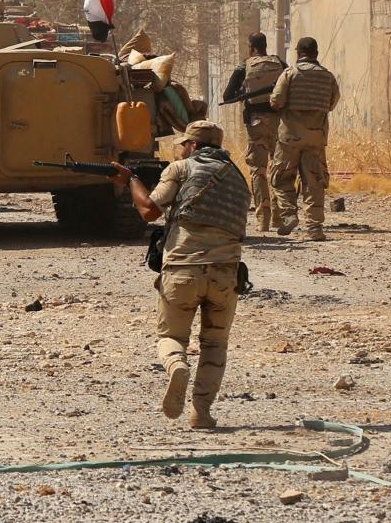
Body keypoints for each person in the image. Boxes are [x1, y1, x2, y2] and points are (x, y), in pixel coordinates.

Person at [111, 120, 251, 430]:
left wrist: (132, 179)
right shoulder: (239, 179)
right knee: (215, 345)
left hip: (182, 270)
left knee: (171, 337)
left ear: (195, 146)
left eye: (185, 145)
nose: (183, 150)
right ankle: (201, 412)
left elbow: (149, 210)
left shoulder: (181, 168)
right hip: (225, 275)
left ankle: (177, 365)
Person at [268, 36, 340, 241]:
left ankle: (289, 213)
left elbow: (276, 101)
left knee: (281, 178)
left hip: (289, 136)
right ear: (316, 53)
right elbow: (332, 103)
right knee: (314, 181)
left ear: (298, 53)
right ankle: (315, 228)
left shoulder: (289, 74)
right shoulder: (328, 76)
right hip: (316, 136)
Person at [222, 31, 287, 232]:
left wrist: (245, 94)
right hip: (279, 122)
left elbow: (227, 95)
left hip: (256, 123)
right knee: (278, 168)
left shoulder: (244, 66)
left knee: (258, 170)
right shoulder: (280, 64)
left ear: (251, 48)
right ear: (266, 46)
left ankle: (263, 219)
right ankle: (279, 216)